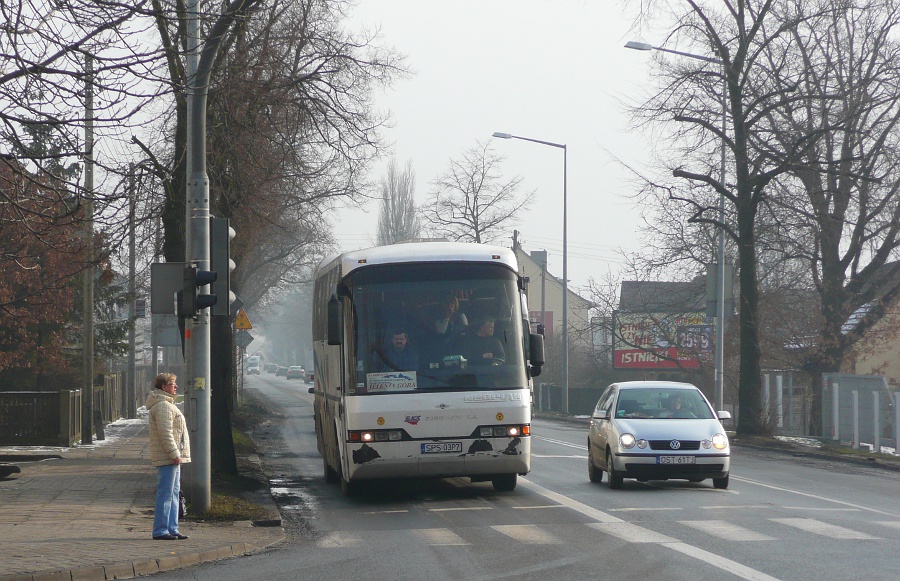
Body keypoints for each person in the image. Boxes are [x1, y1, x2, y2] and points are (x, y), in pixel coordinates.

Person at [146, 373, 191, 540]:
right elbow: (165, 433)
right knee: (166, 493)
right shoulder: (163, 406)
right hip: (168, 457)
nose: (176, 387)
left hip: (172, 456)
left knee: (174, 493)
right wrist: (174, 453)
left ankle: (172, 528)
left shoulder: (167, 404)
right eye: (172, 384)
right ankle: (161, 530)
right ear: (163, 387)